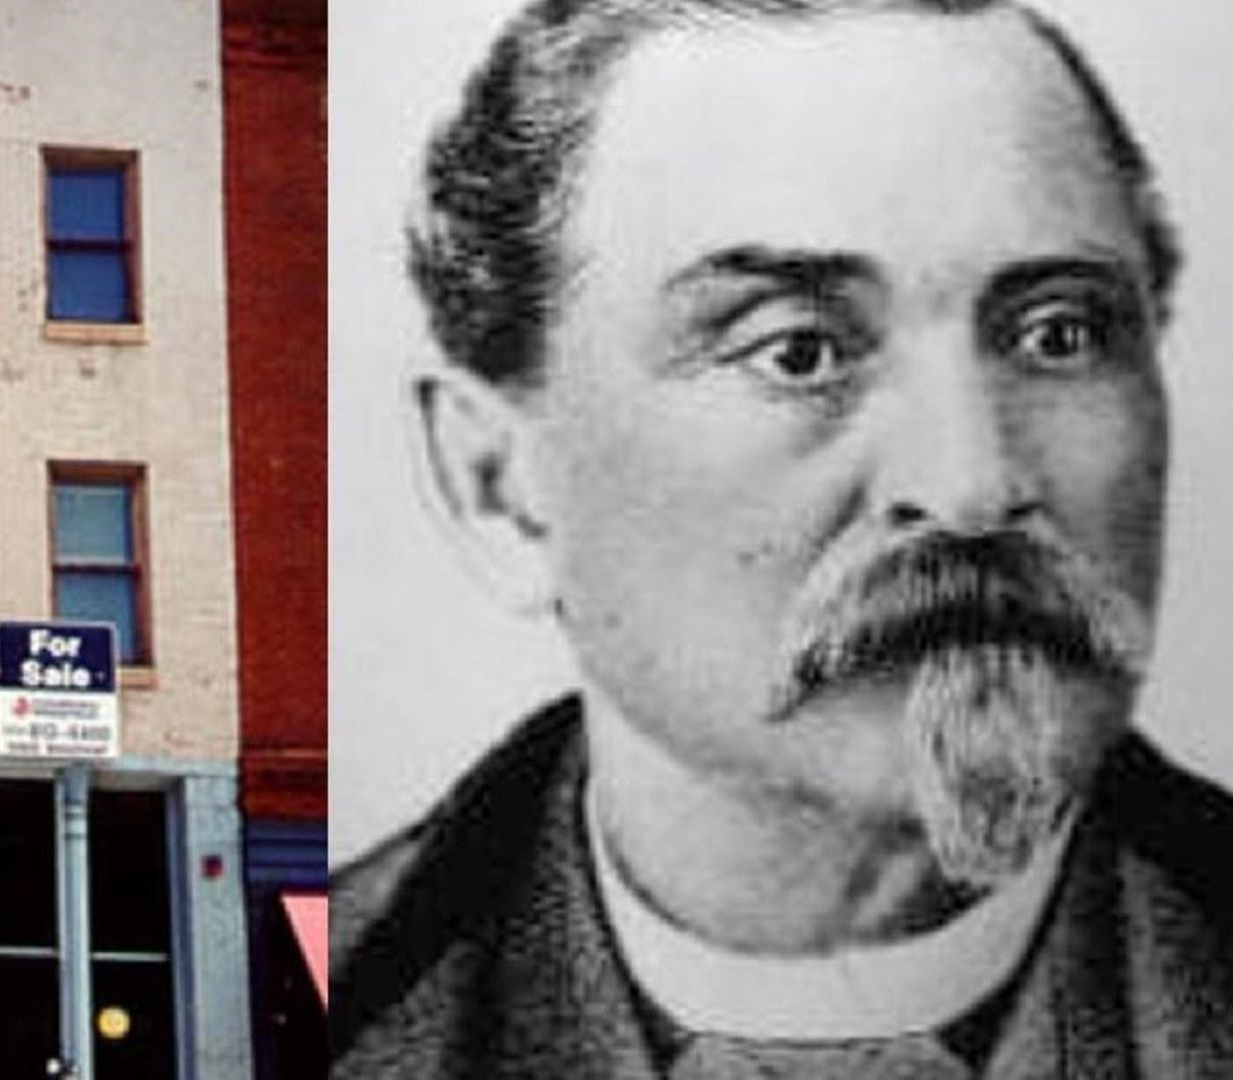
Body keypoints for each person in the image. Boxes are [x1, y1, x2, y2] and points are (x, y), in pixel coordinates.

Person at [330, 0, 1233, 1076]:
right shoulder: (307, 1003)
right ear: (497, 486)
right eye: (797, 351)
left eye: (1058, 334)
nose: (972, 486)